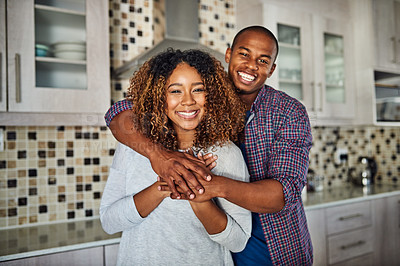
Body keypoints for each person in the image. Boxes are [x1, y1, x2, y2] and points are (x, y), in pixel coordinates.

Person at [105, 26, 313, 265]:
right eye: (244, 54)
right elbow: (120, 113)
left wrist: (202, 183)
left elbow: (285, 193)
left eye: (263, 60)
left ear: (272, 68)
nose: (251, 65)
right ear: (228, 54)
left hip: (273, 248)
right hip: (220, 250)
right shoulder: (202, 89)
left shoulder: (288, 112)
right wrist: (158, 156)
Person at [100, 49, 251, 265]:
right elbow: (109, 222)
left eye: (198, 89)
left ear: (212, 95)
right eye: (175, 91)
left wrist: (196, 193)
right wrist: (164, 185)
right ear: (158, 96)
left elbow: (238, 242)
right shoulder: (134, 146)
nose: (188, 101)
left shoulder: (226, 154)